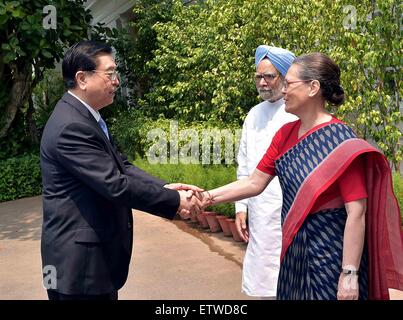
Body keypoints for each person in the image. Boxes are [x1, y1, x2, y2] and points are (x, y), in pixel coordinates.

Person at [200, 52, 403, 300]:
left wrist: (349, 274)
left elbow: (357, 212)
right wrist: (204, 197)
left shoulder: (340, 141)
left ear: (313, 87)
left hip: (331, 256)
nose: (283, 90)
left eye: (289, 84)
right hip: (294, 255)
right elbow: (254, 182)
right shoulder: (284, 134)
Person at [40, 40, 202, 300]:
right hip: (80, 270)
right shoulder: (71, 126)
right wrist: (175, 201)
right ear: (82, 78)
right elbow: (115, 184)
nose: (116, 81)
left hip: (91, 265)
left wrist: (166, 188)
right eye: (110, 73)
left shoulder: (85, 116)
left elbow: (122, 166)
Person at [235, 45, 297, 299]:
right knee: (264, 281)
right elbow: (245, 163)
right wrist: (241, 207)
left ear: (284, 77)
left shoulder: (297, 112)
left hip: (290, 208)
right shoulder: (253, 114)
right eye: (258, 76)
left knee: (292, 278)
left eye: (269, 76)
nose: (262, 82)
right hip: (260, 211)